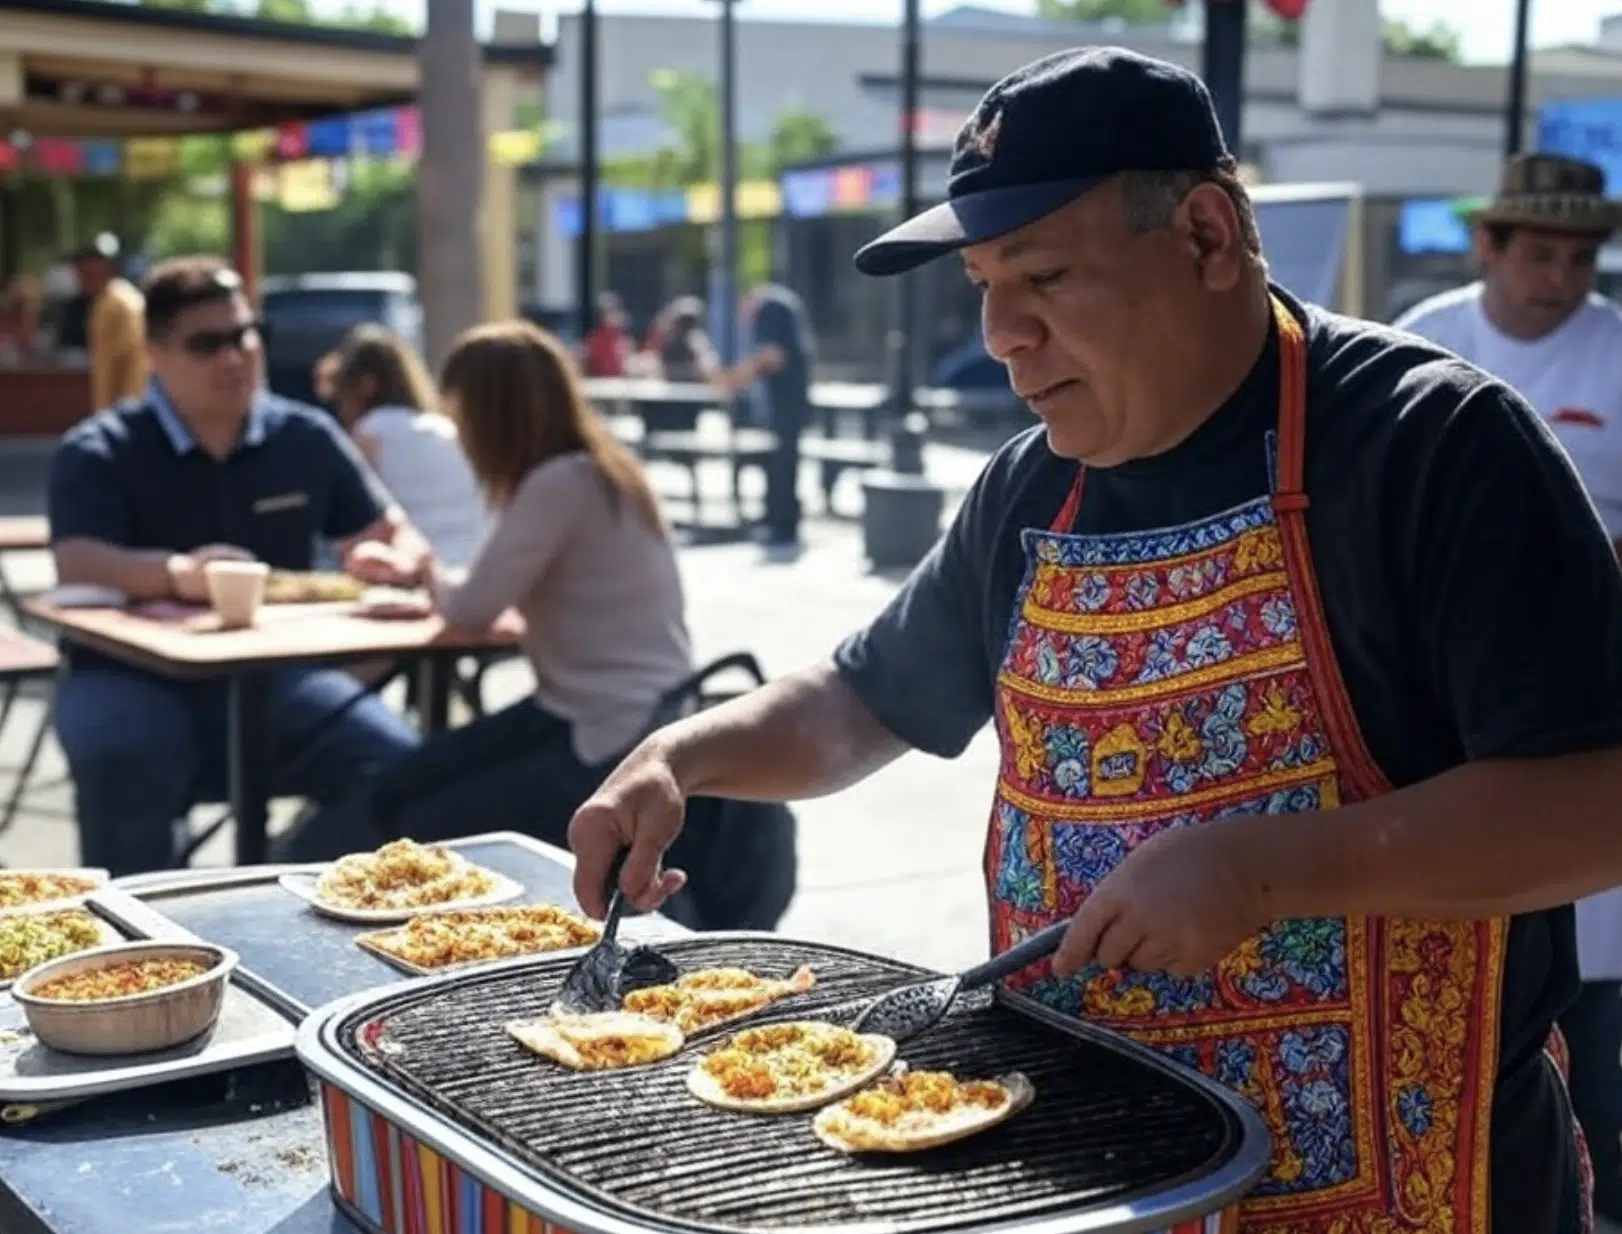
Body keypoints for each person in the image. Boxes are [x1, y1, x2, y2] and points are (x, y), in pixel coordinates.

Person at [567, 48, 1622, 1233]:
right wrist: (682, 756)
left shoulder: (1434, 446)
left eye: (1044, 275)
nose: (1000, 332)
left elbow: (1590, 803)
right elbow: (858, 703)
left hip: (1414, 1187)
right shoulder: (1029, 487)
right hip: (1099, 1174)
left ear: (1207, 236)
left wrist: (1265, 868)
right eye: (978, 282)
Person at [1396, 151, 1622, 1223]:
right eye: (1538, 252)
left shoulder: (1618, 356)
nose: (1560, 275)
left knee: (1591, 950)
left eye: (1580, 256)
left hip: (1587, 687)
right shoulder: (1416, 348)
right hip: (1440, 698)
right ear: (1487, 245)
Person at [47, 256, 426, 876]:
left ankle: (287, 887)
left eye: (247, 335)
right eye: (207, 343)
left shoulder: (304, 435)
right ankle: (144, 955)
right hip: (128, 673)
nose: (235, 356)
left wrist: (393, 556)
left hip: (277, 676)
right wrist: (177, 575)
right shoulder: (100, 449)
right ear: (156, 355)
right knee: (122, 754)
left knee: (396, 767)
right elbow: (77, 558)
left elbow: (393, 533)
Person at [279, 319, 694, 859]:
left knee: (403, 803)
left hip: (598, 729)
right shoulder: (603, 471)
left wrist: (416, 563)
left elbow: (470, 608)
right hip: (640, 710)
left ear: (490, 412)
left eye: (461, 410)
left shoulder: (557, 483)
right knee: (416, 776)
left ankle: (305, 876)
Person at [324, 324, 488, 570]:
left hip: (414, 568)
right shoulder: (446, 429)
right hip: (472, 565)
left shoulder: (370, 432)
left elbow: (360, 517)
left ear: (366, 384)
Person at [718, 281, 816, 550]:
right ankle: (777, 519)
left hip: (786, 400)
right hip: (792, 397)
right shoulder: (783, 302)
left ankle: (783, 526)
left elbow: (772, 356)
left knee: (783, 464)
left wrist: (737, 378)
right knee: (781, 462)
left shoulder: (769, 308)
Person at [71, 233, 146, 410]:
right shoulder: (122, 296)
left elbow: (109, 368)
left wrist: (104, 415)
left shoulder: (111, 306)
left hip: (129, 403)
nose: (80, 278)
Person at [583, 291, 633, 378]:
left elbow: (626, 367)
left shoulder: (624, 341)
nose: (614, 317)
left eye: (615, 311)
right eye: (608, 313)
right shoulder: (593, 341)